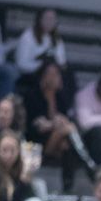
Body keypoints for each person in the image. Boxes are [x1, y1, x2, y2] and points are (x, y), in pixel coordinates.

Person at [25, 58, 83, 192]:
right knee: (67, 130)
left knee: (65, 144)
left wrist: (59, 122)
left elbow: (64, 119)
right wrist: (54, 124)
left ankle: (67, 187)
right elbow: (35, 127)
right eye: (51, 74)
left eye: (56, 74)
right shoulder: (32, 96)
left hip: (57, 144)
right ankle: (86, 162)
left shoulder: (60, 98)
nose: (54, 78)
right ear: (43, 77)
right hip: (36, 144)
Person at [14, 8, 67, 80]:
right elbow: (21, 64)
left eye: (53, 19)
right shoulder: (28, 36)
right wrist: (40, 66)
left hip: (52, 73)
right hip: (31, 74)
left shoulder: (56, 38)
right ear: (40, 20)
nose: (50, 22)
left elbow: (61, 61)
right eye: (47, 19)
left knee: (67, 73)